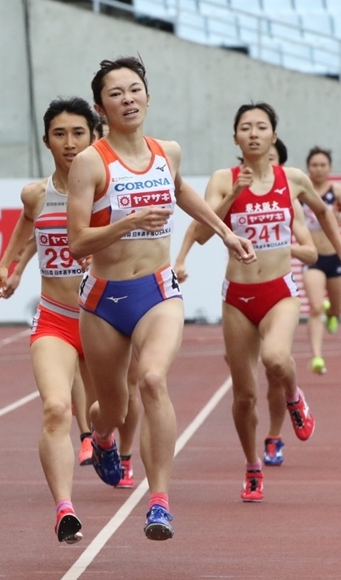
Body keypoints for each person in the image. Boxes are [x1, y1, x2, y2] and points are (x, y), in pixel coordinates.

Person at [66, 57, 255, 540]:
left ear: (148, 97)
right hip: (104, 300)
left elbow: (181, 192)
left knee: (151, 380)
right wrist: (128, 223)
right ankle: (103, 436)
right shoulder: (91, 162)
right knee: (113, 408)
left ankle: (159, 501)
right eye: (116, 93)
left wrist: (225, 234)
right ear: (100, 107)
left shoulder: (165, 151)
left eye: (135, 90)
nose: (128, 99)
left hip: (157, 290)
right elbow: (77, 243)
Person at [194, 103, 341, 500]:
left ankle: (294, 397)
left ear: (274, 136)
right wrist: (235, 193)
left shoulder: (291, 179)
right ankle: (252, 466)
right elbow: (204, 231)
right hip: (237, 297)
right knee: (244, 396)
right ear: (236, 137)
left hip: (278, 291)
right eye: (246, 127)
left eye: (262, 127)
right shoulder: (222, 179)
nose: (254, 133)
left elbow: (325, 213)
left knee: (276, 359)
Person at [0, 96, 98, 544]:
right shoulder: (36, 193)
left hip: (105, 318)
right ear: (46, 140)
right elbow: (28, 228)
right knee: (56, 408)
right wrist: (7, 269)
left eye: (78, 134)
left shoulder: (109, 187)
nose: (69, 143)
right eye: (60, 134)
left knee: (111, 411)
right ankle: (65, 508)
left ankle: (103, 439)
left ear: (94, 137)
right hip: (55, 316)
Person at [1, 233, 142, 483]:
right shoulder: (44, 196)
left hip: (111, 303)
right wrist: (16, 270)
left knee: (128, 388)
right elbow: (36, 234)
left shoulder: (107, 196)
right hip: (66, 310)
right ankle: (88, 437)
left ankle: (125, 453)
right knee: (74, 369)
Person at [174, 138, 288, 283]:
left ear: (282, 165)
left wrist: (285, 248)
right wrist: (180, 260)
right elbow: (199, 224)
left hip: (278, 283)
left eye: (270, 159)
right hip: (240, 283)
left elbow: (311, 251)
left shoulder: (287, 191)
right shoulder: (230, 183)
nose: (263, 163)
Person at [302, 146, 341, 375]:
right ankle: (317, 357)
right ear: (308, 167)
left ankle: (332, 313)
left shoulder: (336, 192)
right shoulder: (302, 192)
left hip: (334, 257)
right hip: (314, 258)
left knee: (336, 309)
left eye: (322, 165)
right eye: (314, 165)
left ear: (329, 168)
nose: (318, 169)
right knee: (314, 307)